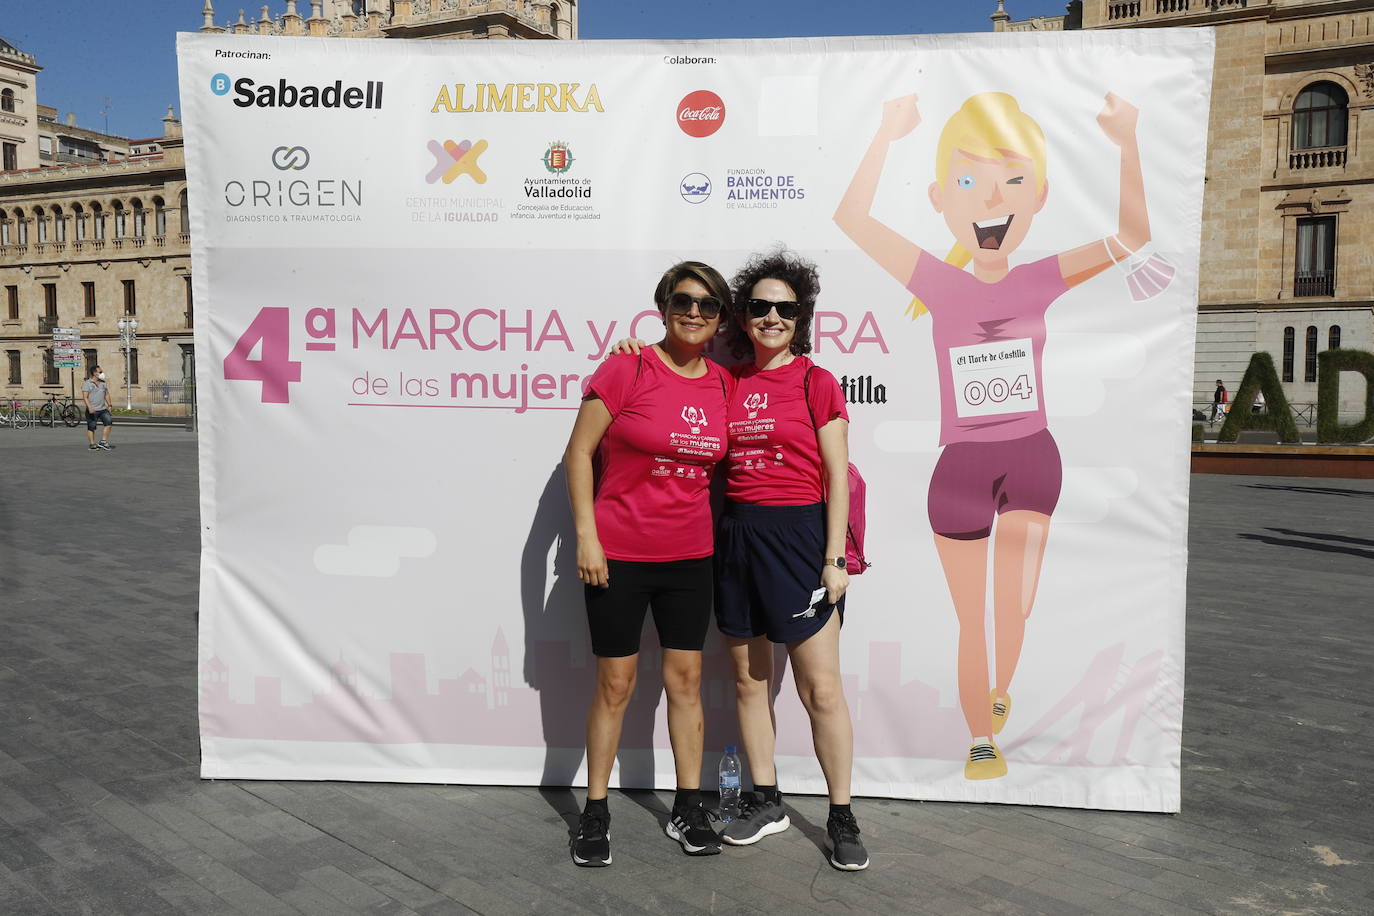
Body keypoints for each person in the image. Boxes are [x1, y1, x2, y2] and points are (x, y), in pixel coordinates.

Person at [834, 90, 1155, 780]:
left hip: (1033, 459)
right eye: (969, 181)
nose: (989, 200)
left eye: (1012, 181)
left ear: (1037, 197)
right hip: (961, 470)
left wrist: (1126, 139)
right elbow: (851, 218)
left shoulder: (1042, 277)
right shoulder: (937, 281)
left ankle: (1000, 688)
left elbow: (1131, 239)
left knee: (1013, 611)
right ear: (939, 196)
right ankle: (982, 736)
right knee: (969, 619)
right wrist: (887, 132)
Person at [613, 248, 869, 871]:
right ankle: (768, 799)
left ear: (800, 317)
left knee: (821, 691)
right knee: (751, 683)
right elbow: (676, 386)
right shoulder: (727, 382)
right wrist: (632, 354)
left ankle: (841, 816)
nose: (771, 317)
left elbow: (837, 474)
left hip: (802, 540)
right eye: (759, 307)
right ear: (742, 317)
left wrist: (834, 558)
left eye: (785, 308)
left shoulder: (817, 382)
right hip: (736, 538)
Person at [562, 261, 734, 867]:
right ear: (662, 306)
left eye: (708, 305)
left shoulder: (721, 383)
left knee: (686, 683)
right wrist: (587, 536)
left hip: (690, 557)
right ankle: (596, 809)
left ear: (720, 318)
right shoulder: (626, 366)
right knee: (616, 684)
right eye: (683, 300)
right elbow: (578, 453)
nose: (694, 312)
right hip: (618, 556)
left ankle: (688, 807)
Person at [82, 364, 115, 451]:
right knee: (91, 427)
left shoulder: (103, 383)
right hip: (92, 409)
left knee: (109, 423)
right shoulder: (87, 383)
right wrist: (89, 407)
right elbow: (85, 397)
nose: (102, 373)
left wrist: (110, 405)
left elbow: (106, 394)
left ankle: (103, 442)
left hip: (103, 409)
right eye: (100, 372)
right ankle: (92, 444)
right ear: (94, 373)